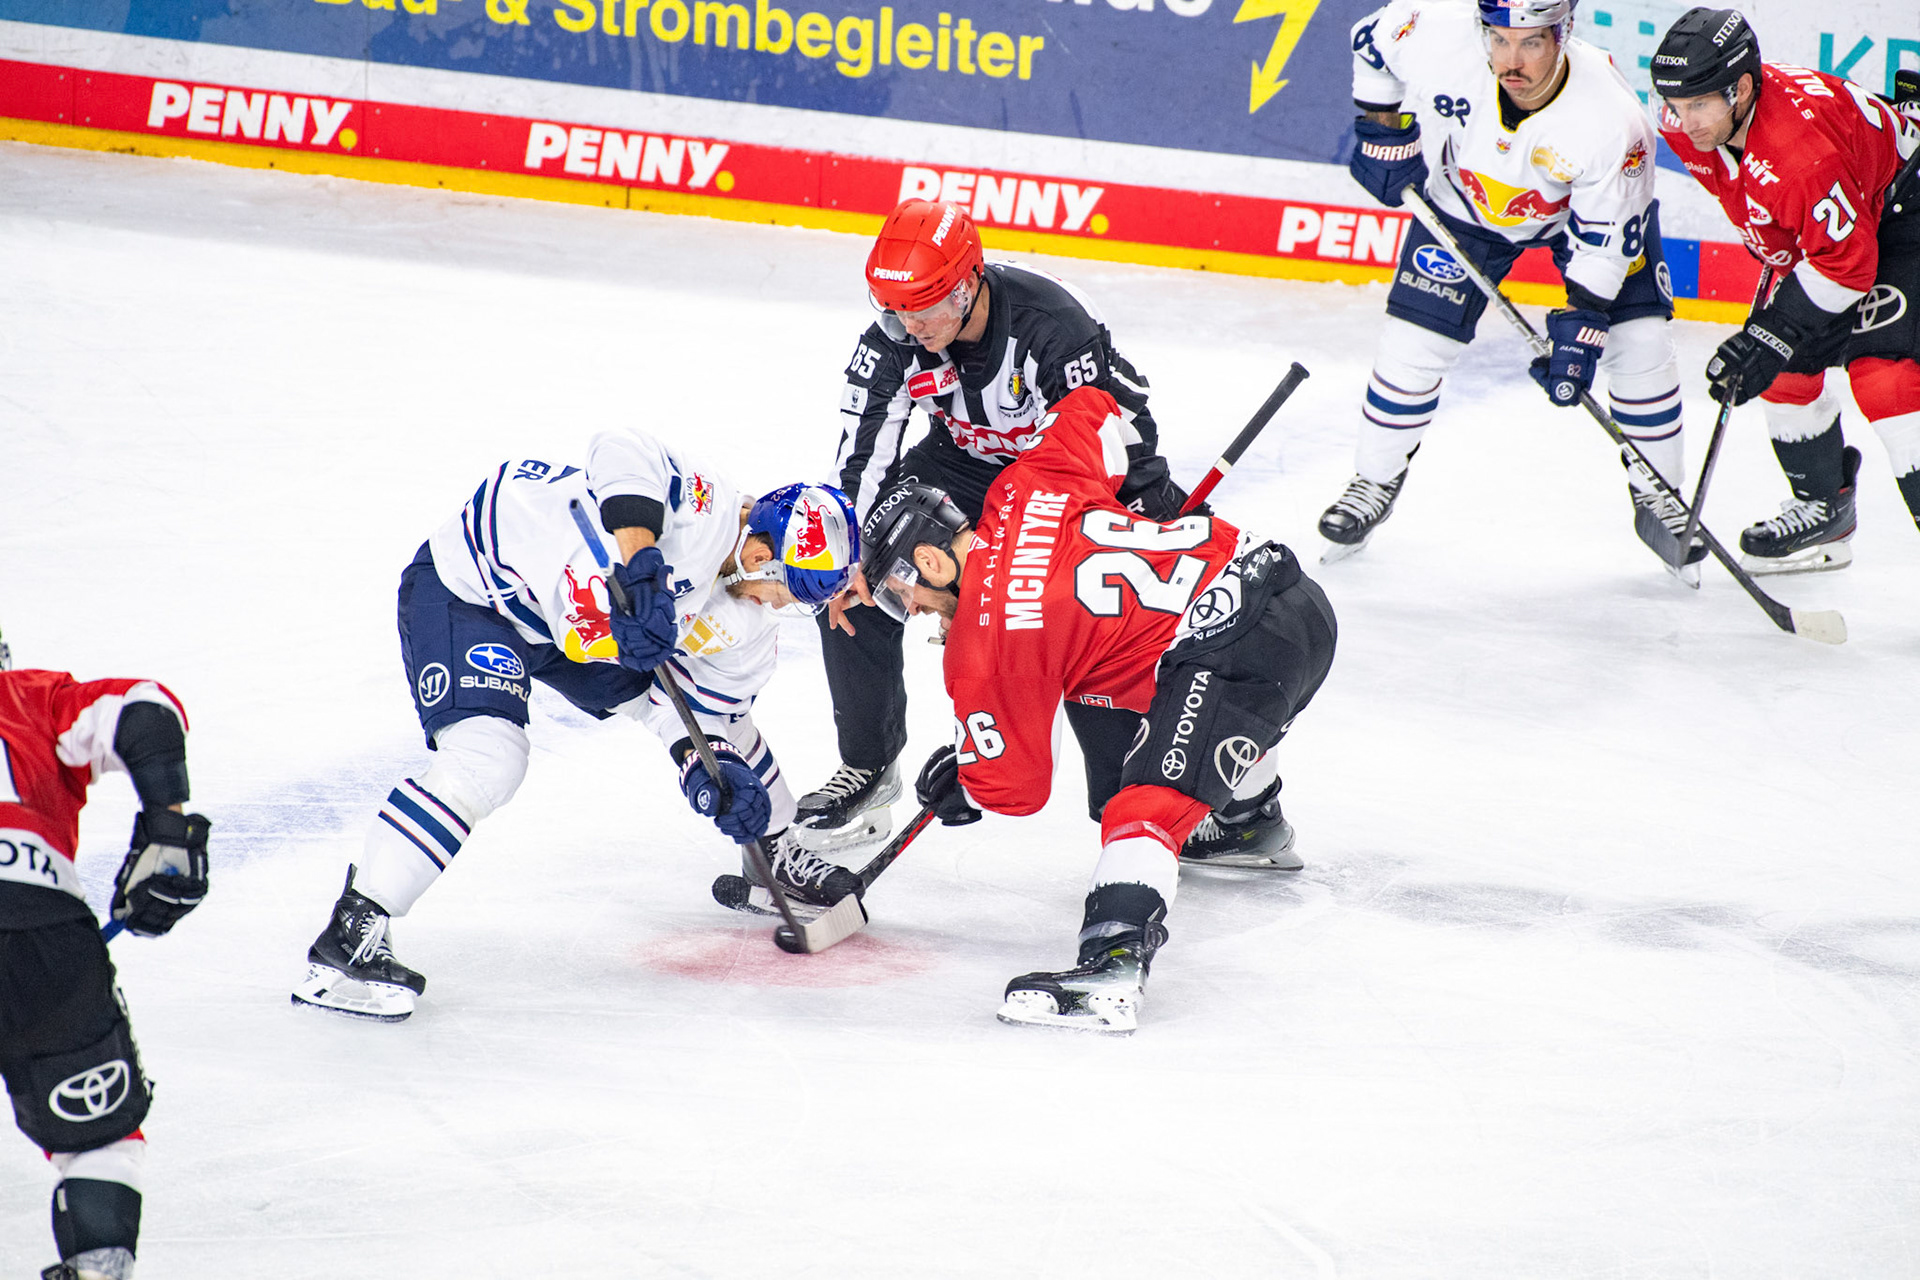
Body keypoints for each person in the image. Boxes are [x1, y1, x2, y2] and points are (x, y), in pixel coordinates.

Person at [290, 432, 860, 1021]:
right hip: (478, 592)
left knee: (729, 735)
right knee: (489, 759)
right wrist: (641, 564)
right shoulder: (703, 504)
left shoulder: (745, 624)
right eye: (785, 591)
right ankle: (350, 936)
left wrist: (706, 767)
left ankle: (774, 852)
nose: (776, 606)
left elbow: (690, 708)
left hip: (578, 628)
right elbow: (620, 448)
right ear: (764, 555)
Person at [862, 386, 1338, 1034]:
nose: (910, 610)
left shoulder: (982, 645)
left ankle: (1111, 970)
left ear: (928, 557)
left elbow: (1017, 789)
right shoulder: (1023, 487)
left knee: (1141, 806)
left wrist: (970, 776)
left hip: (1244, 642)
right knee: (1114, 679)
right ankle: (1245, 823)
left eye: (901, 591)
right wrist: (1146, 491)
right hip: (1285, 592)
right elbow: (1093, 406)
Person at [798, 197, 1218, 855]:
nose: (912, 326)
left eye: (927, 308)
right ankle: (868, 769)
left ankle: (1145, 789)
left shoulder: (1051, 324)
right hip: (962, 464)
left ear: (968, 284)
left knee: (1093, 611)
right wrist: (852, 549)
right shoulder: (897, 333)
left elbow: (1109, 436)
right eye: (896, 311)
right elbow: (866, 445)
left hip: (1077, 466)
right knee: (852, 581)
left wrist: (1146, 516)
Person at [1322, 0, 1699, 572]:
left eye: (1531, 43)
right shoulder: (1436, 32)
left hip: (1583, 220)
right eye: (1499, 40)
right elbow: (1370, 44)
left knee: (1640, 345)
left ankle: (1659, 494)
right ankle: (1373, 482)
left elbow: (1603, 247)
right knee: (1411, 349)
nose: (1511, 60)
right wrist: (1380, 128)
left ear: (1564, 34)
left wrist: (1582, 328)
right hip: (1463, 205)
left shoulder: (1614, 122)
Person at [1652, 7, 1920, 573]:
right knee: (1784, 369)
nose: (1685, 121)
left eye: (1699, 104)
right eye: (1675, 105)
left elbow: (1848, 267)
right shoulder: (1690, 124)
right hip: (1844, 212)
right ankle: (1824, 510)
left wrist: (1770, 331)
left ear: (1742, 88)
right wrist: (1775, 336)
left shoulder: (1798, 155)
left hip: (1904, 206)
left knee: (1886, 379)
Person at [0, 651, 212, 1280]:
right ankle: (97, 1269)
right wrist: (167, 829)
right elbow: (147, 712)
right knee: (99, 1139)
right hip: (43, 934)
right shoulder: (26, 699)